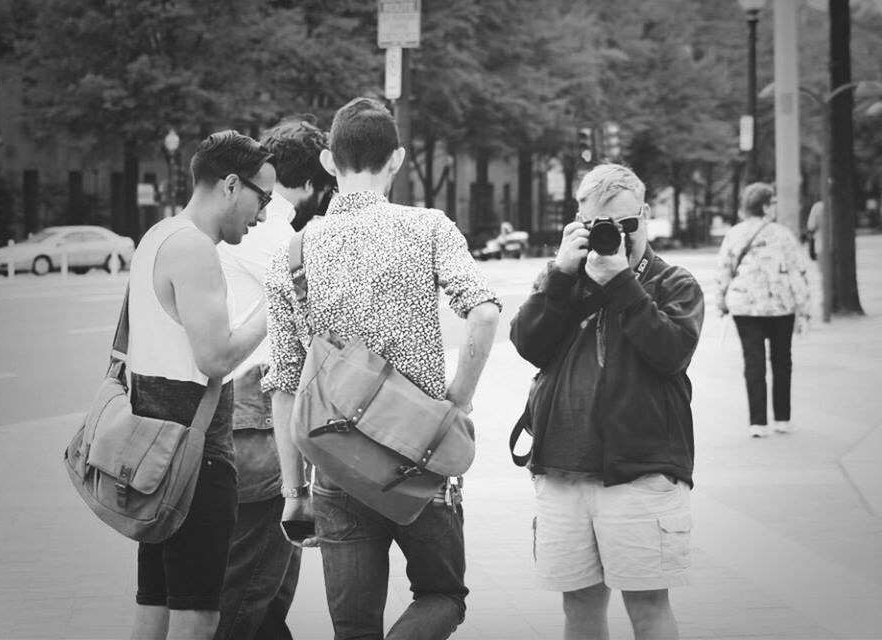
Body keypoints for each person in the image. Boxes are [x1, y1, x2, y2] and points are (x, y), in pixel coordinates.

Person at [262, 97, 501, 640]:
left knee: (353, 627)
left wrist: (294, 492)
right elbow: (484, 314)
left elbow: (282, 386)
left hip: (337, 465)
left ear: (328, 162)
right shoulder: (429, 228)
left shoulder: (294, 252)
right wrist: (456, 402)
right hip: (420, 457)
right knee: (443, 596)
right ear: (396, 160)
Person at [510, 163, 704, 640]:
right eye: (601, 227)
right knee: (579, 607)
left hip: (640, 473)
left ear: (646, 215)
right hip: (562, 471)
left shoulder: (673, 283)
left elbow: (670, 352)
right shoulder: (562, 278)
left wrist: (621, 282)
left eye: (627, 225)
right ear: (579, 222)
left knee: (648, 607)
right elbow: (528, 343)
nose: (616, 237)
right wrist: (560, 275)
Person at [127, 130, 275, 640]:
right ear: (232, 185)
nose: (261, 217)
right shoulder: (195, 249)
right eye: (263, 198)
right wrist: (276, 303)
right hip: (196, 459)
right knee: (198, 616)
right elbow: (214, 358)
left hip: (157, 453)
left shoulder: (157, 236)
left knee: (156, 608)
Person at [214, 117, 331, 640]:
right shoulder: (275, 238)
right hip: (257, 419)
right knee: (251, 589)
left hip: (251, 416)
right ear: (308, 183)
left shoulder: (243, 229)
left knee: (267, 595)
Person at [716, 183, 811, 438]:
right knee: (782, 361)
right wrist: (805, 308)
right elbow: (797, 272)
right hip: (781, 307)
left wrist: (721, 301)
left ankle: (757, 422)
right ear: (766, 205)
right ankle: (782, 418)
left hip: (745, 307)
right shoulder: (783, 235)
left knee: (753, 363)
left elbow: (723, 271)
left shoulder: (734, 234)